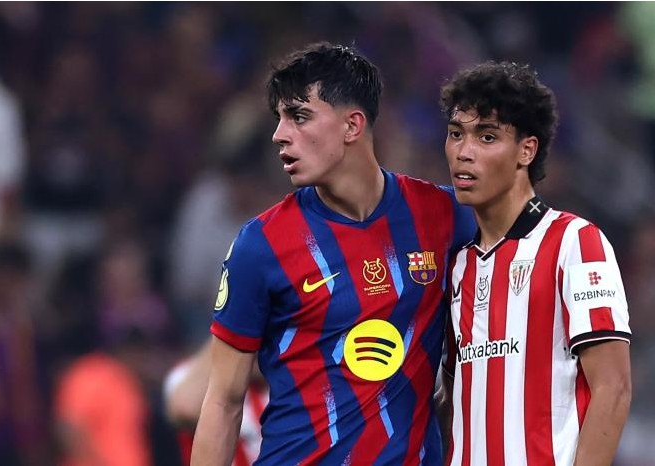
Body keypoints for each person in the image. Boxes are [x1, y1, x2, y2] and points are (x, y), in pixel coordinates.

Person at [190, 42, 475, 465]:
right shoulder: (261, 245)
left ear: (352, 126)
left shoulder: (446, 215)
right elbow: (223, 402)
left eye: (299, 116)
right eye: (279, 118)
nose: (279, 134)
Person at [438, 62, 632, 465]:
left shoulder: (575, 242)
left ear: (526, 150)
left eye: (486, 136)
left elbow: (613, 388)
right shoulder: (458, 267)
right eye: (456, 133)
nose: (464, 152)